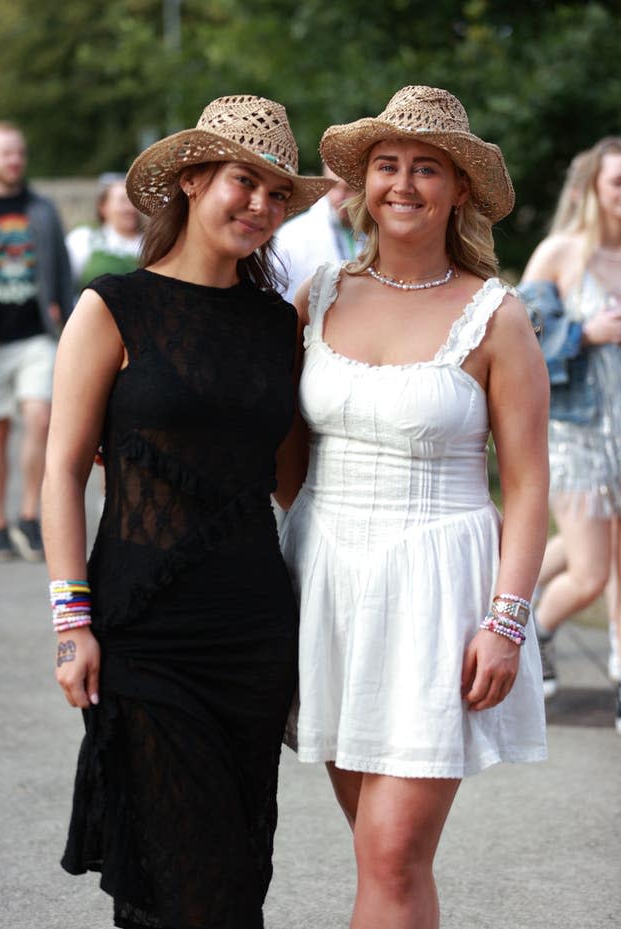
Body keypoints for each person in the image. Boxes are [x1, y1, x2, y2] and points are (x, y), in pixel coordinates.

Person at [41, 94, 333, 929]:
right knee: (183, 883)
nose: (263, 206)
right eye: (246, 181)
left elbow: (293, 479)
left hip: (251, 633)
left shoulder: (279, 324)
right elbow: (61, 472)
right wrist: (72, 621)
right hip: (141, 630)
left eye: (280, 194)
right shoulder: (112, 307)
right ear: (194, 179)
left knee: (234, 872)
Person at [276, 85, 549, 929]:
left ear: (460, 189)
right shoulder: (315, 296)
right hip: (325, 582)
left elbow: (529, 483)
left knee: (393, 853)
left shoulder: (495, 316)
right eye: (386, 166)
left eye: (426, 168)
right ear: (360, 184)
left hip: (439, 590)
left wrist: (505, 621)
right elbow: (282, 456)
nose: (403, 184)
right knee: (377, 850)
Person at [519, 136, 621, 730]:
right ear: (592, 191)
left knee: (611, 566)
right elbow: (523, 340)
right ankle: (534, 628)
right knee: (590, 573)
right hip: (577, 432)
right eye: (618, 183)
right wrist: (587, 333)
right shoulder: (561, 253)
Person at [0, 120, 73, 561]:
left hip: (37, 333)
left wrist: (66, 317)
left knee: (40, 418)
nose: (14, 160)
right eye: (5, 153)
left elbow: (60, 268)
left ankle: (29, 514)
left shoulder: (41, 208)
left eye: (19, 152)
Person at [275, 164, 362, 302]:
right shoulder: (291, 237)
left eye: (349, 189)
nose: (339, 197)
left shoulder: (378, 233)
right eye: (333, 187)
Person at [65, 173, 143, 296]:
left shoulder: (150, 244)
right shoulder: (83, 239)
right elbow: (63, 283)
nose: (130, 208)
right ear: (103, 206)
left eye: (134, 201)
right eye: (123, 201)